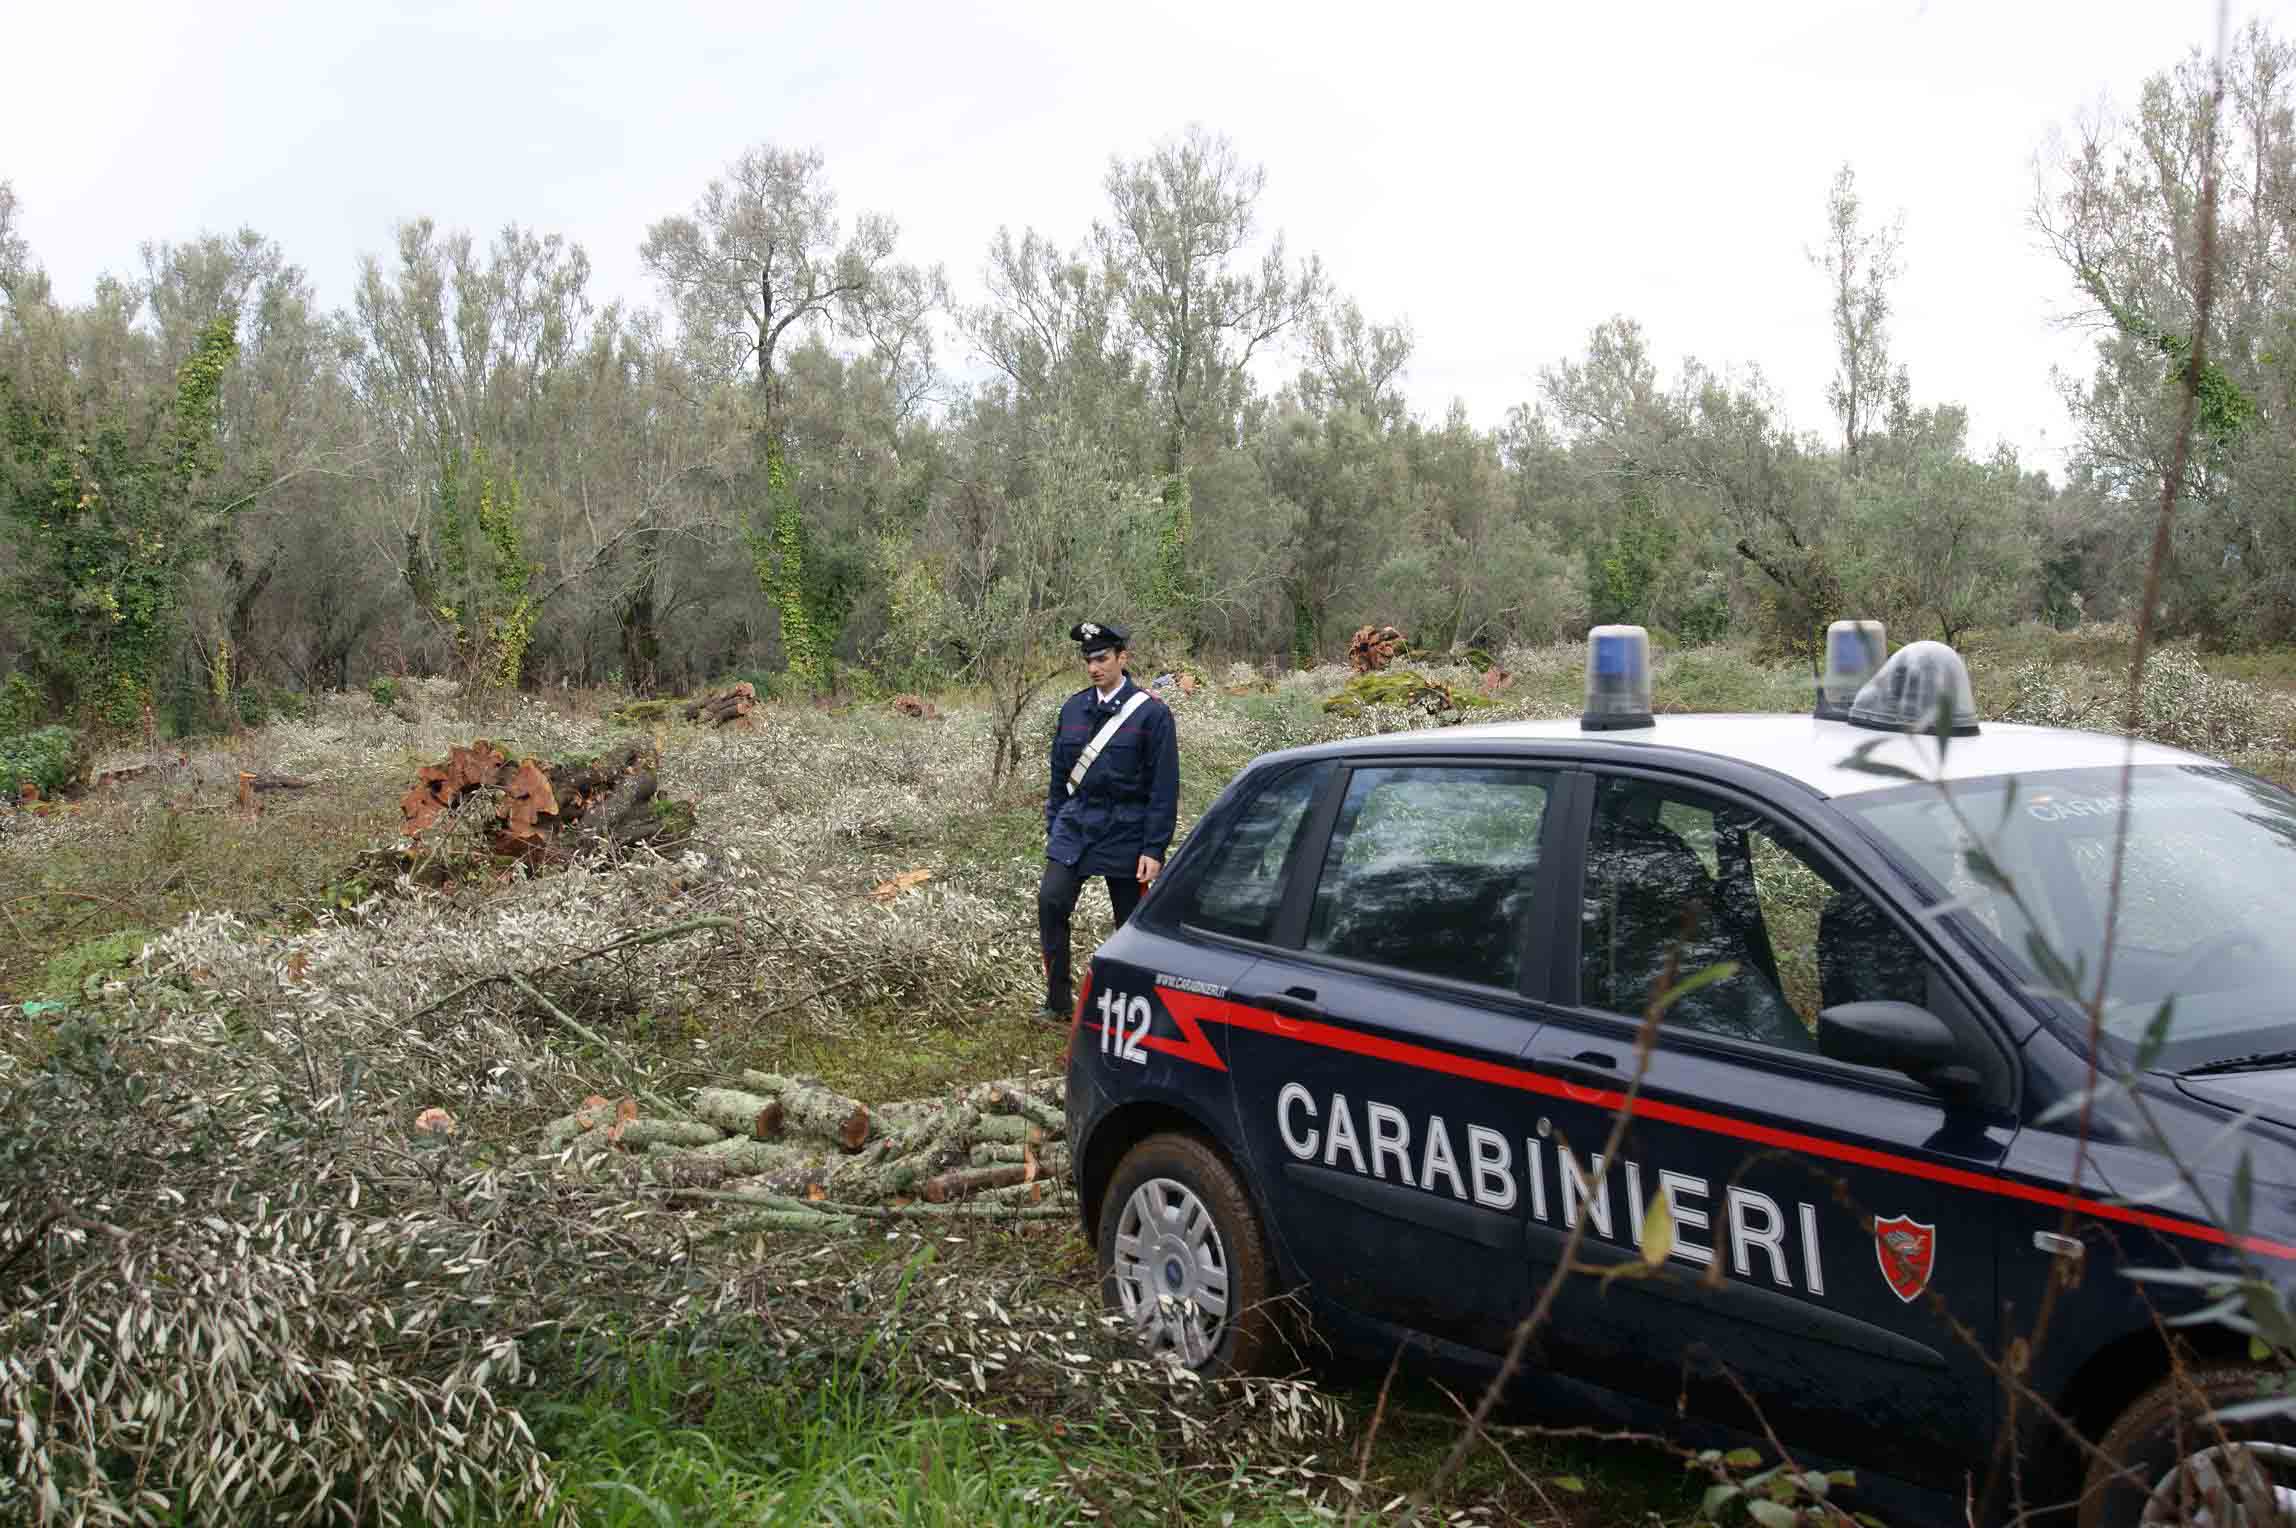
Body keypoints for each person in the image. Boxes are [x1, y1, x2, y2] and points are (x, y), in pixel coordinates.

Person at [1039, 620, 1179, 1022]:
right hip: (1077, 824)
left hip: (1127, 828)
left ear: (1123, 658)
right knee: (1051, 902)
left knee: (1132, 925)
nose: (1094, 667)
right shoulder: (1073, 708)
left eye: (1102, 658)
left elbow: (1164, 786)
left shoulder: (1151, 714)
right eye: (1089, 660)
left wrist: (1154, 847)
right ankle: (1058, 1001)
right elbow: (1057, 777)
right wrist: (1056, 822)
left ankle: (1136, 1006)